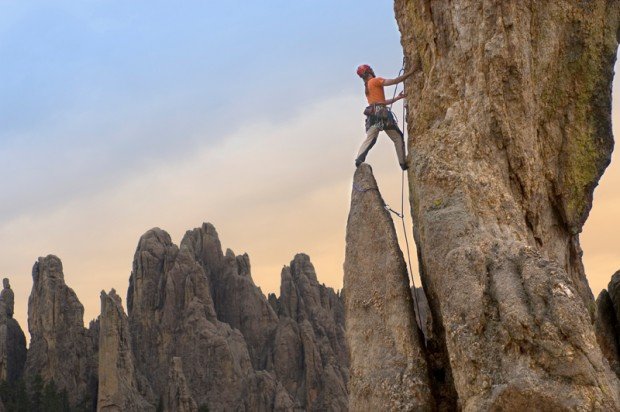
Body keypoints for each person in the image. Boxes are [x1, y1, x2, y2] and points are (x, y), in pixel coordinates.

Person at [355, 64, 414, 170]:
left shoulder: (368, 87)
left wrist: (397, 98)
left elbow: (381, 102)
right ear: (369, 72)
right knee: (397, 138)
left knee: (370, 139)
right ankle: (403, 163)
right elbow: (394, 81)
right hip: (383, 115)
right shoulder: (375, 81)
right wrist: (411, 72)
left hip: (373, 116)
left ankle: (359, 159)